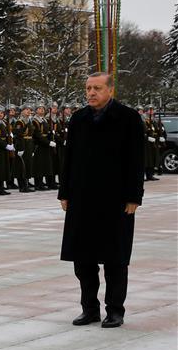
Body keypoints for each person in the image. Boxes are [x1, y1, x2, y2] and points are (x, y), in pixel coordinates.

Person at [59, 72, 144, 329]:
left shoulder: (128, 118)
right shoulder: (79, 119)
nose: (91, 93)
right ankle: (89, 309)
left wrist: (134, 196)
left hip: (115, 200)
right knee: (83, 260)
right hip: (82, 199)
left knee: (115, 259)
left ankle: (115, 310)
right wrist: (64, 192)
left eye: (97, 88)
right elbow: (69, 157)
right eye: (88, 88)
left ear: (110, 90)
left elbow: (136, 160)